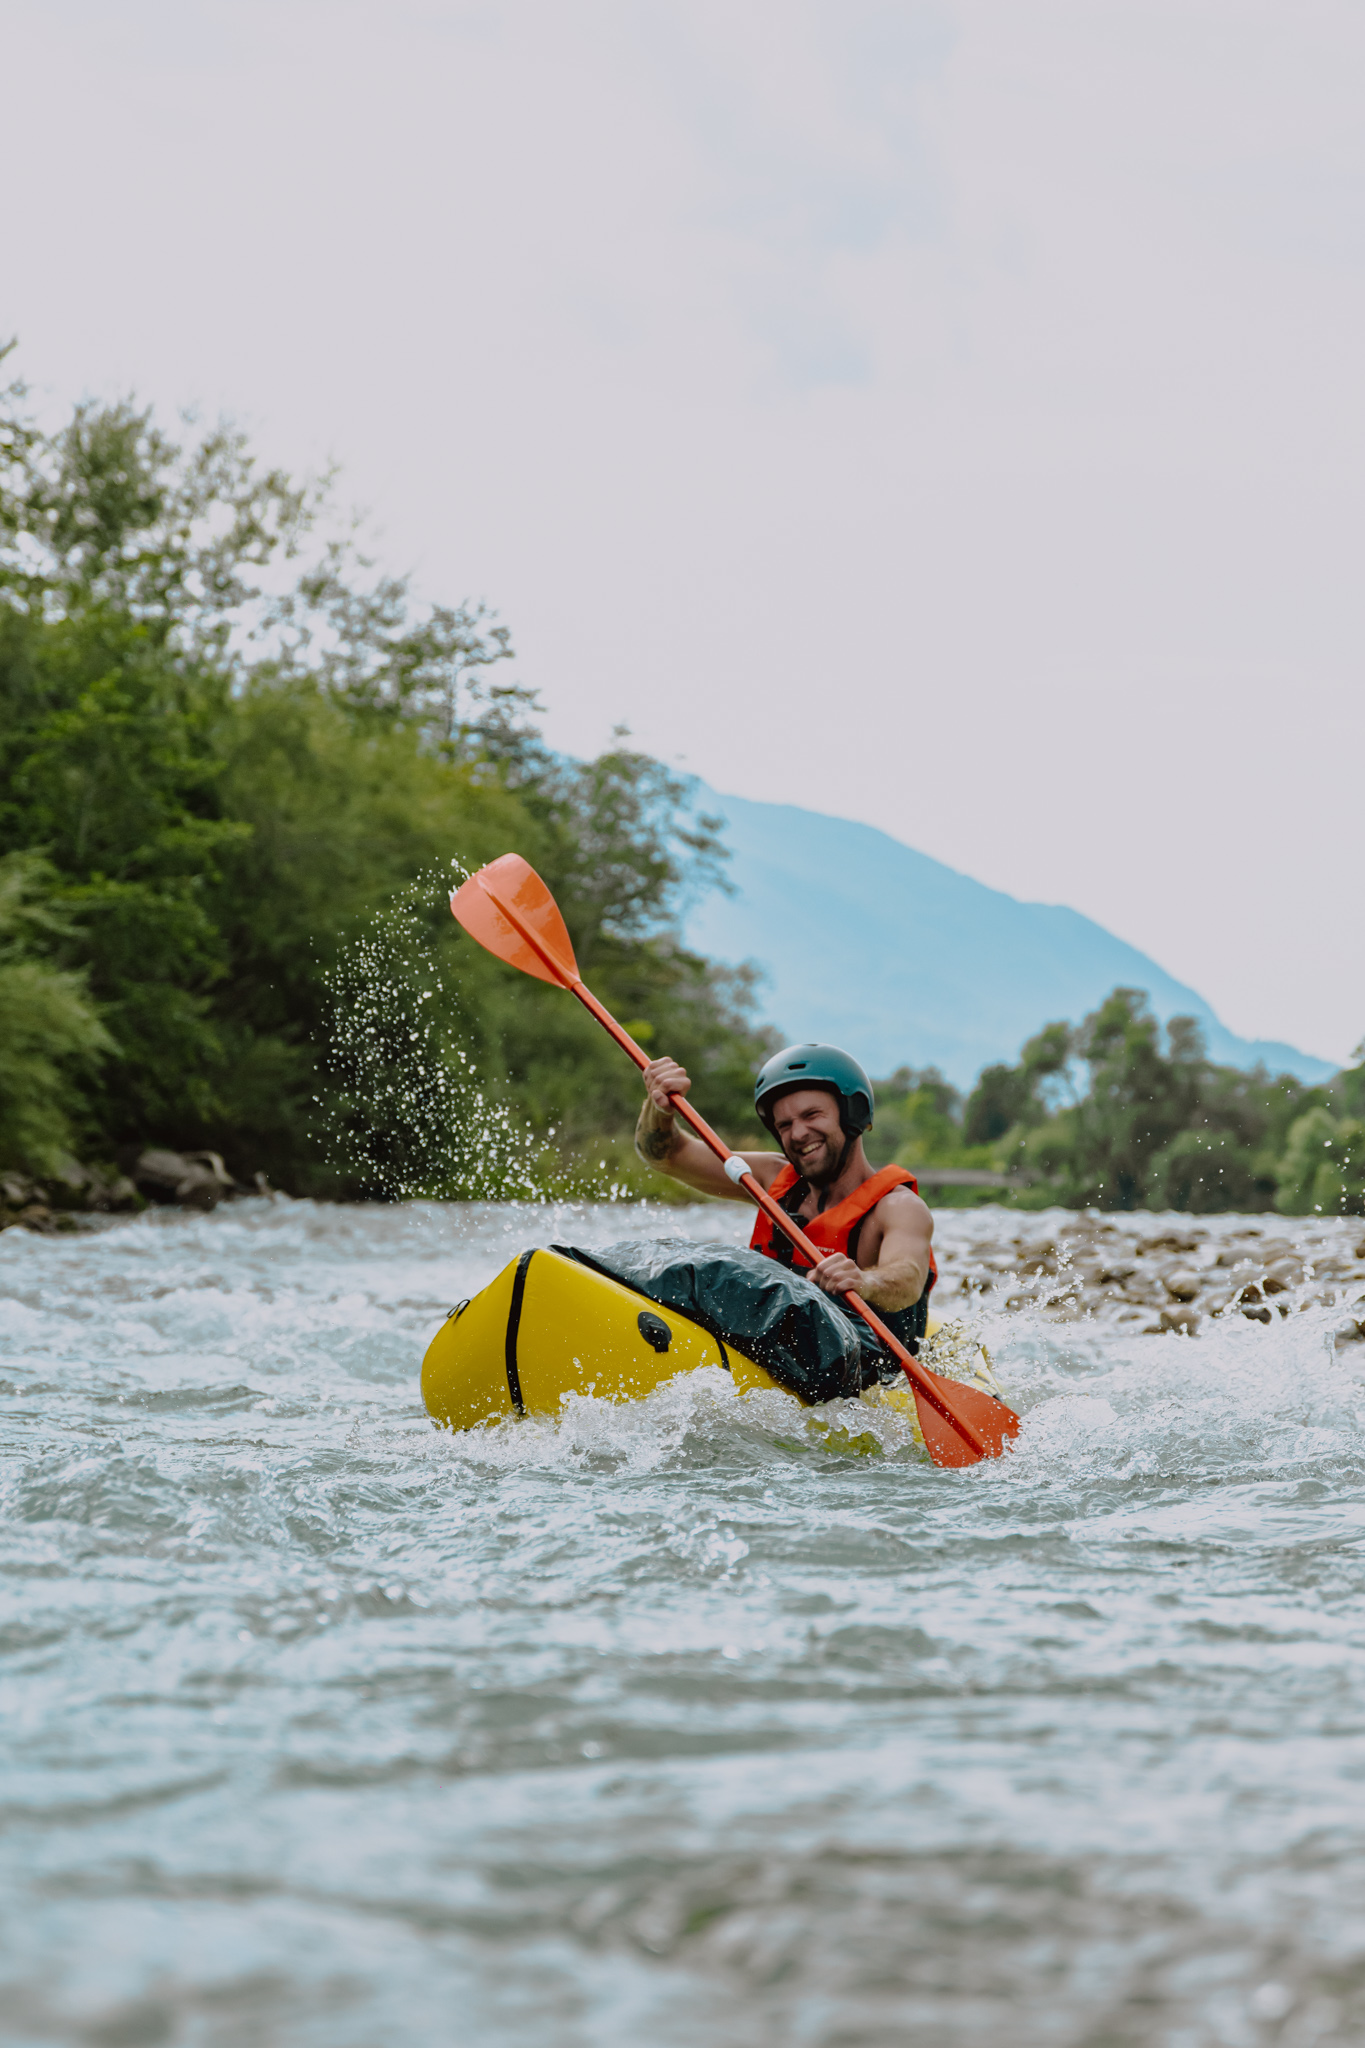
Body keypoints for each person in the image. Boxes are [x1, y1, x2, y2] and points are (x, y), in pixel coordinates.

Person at [635, 1042, 936, 1353]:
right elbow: (667, 1154)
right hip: (776, 1346)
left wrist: (863, 1280)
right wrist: (659, 1106)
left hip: (867, 1365)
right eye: (785, 1124)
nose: (798, 1133)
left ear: (854, 1114)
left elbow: (908, 1276)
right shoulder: (765, 1178)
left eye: (812, 1115)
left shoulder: (898, 1207)